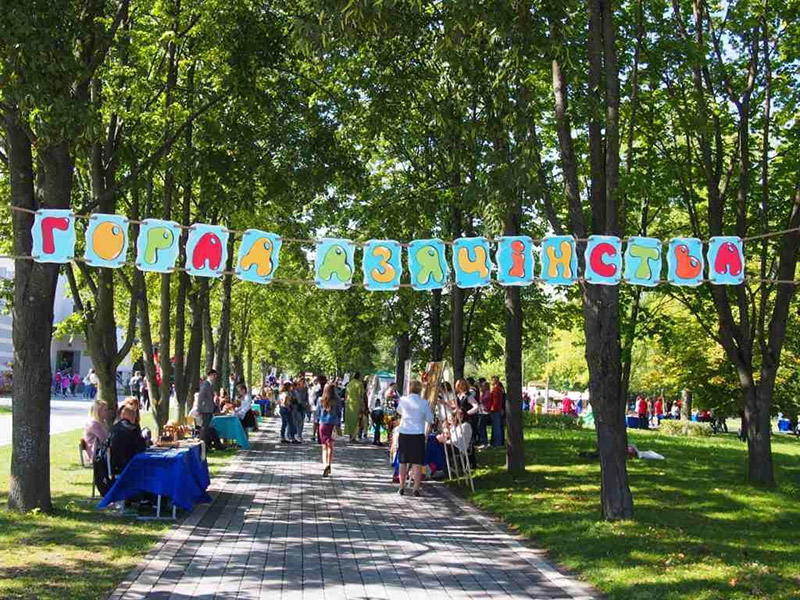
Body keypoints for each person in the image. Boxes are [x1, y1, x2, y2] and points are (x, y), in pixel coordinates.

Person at [396, 380, 434, 497]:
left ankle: (401, 487)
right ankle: (415, 488)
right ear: (420, 390)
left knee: (403, 461)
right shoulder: (424, 403)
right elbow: (430, 419)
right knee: (417, 463)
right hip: (417, 434)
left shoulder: (403, 400)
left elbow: (399, 411)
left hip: (405, 432)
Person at [109, 405, 146, 474]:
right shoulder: (133, 429)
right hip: (128, 465)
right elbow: (142, 447)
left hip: (113, 464)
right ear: (133, 417)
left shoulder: (112, 429)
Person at [319, 382, 340, 477]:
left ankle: (325, 465)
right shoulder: (337, 401)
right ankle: (329, 464)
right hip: (333, 424)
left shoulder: (321, 400)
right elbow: (339, 413)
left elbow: (316, 412)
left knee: (324, 446)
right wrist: (338, 425)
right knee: (331, 445)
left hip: (323, 424)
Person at [83, 398, 110, 463]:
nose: (107, 412)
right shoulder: (94, 424)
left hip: (100, 450)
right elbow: (104, 439)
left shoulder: (102, 421)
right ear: (98, 411)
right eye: (105, 410)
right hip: (94, 454)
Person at [197, 369, 218, 450]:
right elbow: (200, 397)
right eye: (214, 375)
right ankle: (203, 445)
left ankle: (206, 444)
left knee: (206, 427)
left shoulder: (209, 385)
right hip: (205, 410)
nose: (215, 377)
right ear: (210, 375)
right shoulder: (206, 384)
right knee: (204, 428)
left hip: (209, 409)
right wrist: (199, 409)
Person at [345, 371, 364, 442]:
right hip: (356, 404)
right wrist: (362, 405)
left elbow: (346, 395)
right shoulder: (359, 384)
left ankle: (350, 436)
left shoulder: (349, 384)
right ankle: (353, 437)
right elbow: (360, 396)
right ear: (359, 376)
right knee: (356, 421)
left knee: (350, 420)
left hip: (348, 404)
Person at [309, 375, 326, 444]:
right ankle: (317, 436)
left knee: (318, 422)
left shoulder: (325, 387)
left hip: (323, 406)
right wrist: (312, 406)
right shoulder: (316, 388)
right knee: (317, 422)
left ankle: (320, 436)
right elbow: (312, 397)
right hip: (317, 406)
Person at [489, 376, 505, 447]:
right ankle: (497, 442)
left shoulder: (496, 389)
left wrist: (492, 408)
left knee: (496, 427)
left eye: (492, 380)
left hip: (495, 409)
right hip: (497, 409)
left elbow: (496, 401)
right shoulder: (499, 389)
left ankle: (497, 443)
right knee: (497, 426)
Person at [293, 377, 309, 442]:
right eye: (301, 381)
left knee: (302, 421)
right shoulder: (296, 389)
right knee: (298, 421)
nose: (303, 383)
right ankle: (296, 435)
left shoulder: (305, 389)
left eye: (304, 382)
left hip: (303, 406)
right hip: (296, 407)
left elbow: (306, 397)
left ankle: (300, 435)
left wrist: (307, 404)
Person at [476, 380, 490, 447]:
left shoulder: (487, 393)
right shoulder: (483, 393)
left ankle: (484, 442)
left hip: (485, 412)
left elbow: (482, 400)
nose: (482, 387)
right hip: (481, 411)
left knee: (481, 427)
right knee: (481, 427)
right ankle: (483, 441)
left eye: (483, 386)